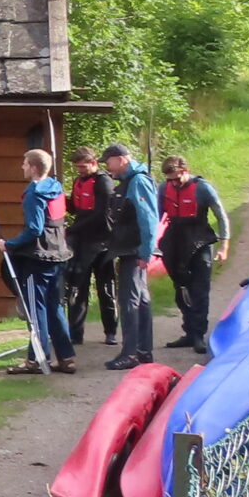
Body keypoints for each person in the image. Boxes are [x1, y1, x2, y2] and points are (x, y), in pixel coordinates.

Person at [0, 147, 76, 374]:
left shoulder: (34, 194)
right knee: (55, 307)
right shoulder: (56, 188)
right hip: (59, 254)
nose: (22, 167)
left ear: (33, 168)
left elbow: (34, 229)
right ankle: (66, 358)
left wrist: (9, 244)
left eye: (25, 163)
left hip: (39, 257)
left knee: (36, 310)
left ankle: (36, 360)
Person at [158, 154, 233, 355]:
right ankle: (189, 332)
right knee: (181, 288)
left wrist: (224, 246)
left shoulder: (203, 188)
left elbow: (221, 216)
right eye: (170, 180)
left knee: (199, 290)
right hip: (175, 241)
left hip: (200, 240)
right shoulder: (164, 189)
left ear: (186, 171)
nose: (174, 183)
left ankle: (199, 334)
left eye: (177, 178)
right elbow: (155, 217)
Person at [102, 143, 161, 369]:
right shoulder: (130, 181)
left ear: (121, 159)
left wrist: (145, 252)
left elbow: (149, 220)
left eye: (109, 162)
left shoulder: (138, 182)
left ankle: (131, 353)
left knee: (130, 302)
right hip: (130, 249)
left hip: (134, 251)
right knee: (140, 300)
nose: (107, 167)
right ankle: (143, 351)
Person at [62, 146, 121, 347]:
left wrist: (72, 229)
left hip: (102, 242)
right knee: (78, 286)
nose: (80, 170)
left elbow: (101, 214)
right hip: (82, 242)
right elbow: (75, 208)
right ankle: (75, 333)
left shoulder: (104, 182)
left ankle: (110, 332)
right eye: (77, 167)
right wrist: (60, 199)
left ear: (93, 163)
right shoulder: (78, 181)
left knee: (105, 287)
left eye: (83, 167)